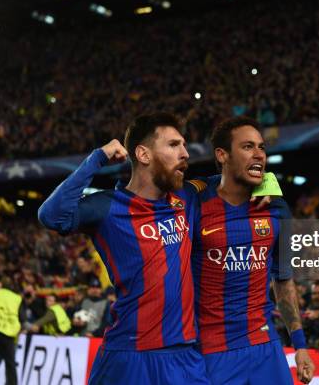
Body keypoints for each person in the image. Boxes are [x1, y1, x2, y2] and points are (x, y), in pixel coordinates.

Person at [38, 113, 210, 384]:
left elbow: (234, 181)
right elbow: (51, 215)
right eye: (174, 145)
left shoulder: (186, 197)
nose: (185, 153)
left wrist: (267, 186)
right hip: (129, 357)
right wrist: (98, 158)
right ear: (143, 154)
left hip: (185, 357)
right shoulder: (108, 207)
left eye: (184, 145)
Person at [192, 117, 315, 384]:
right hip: (212, 352)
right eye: (247, 147)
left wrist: (300, 345)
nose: (259, 153)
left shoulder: (277, 209)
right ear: (222, 155)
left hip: (265, 346)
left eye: (261, 147)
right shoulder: (195, 202)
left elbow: (283, 280)